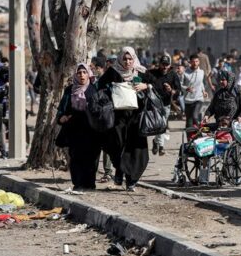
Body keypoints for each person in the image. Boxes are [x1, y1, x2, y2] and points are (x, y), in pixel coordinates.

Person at [99, 46, 156, 191]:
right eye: (124, 58)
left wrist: (146, 86)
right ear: (120, 58)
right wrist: (110, 90)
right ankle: (119, 172)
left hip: (136, 118)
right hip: (118, 118)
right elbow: (99, 88)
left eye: (130, 58)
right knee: (117, 146)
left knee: (135, 149)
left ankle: (131, 180)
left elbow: (157, 85)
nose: (127, 61)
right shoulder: (113, 72)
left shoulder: (141, 72)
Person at [56, 63, 101, 190]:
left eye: (84, 72)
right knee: (76, 156)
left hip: (92, 129)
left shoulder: (94, 89)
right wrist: (62, 117)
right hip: (74, 128)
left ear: (88, 74)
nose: (82, 75)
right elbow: (62, 108)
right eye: (79, 73)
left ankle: (90, 183)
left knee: (92, 156)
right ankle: (78, 183)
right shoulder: (70, 90)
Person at [149, 55, 181, 156]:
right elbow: (142, 78)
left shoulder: (173, 75)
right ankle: (160, 145)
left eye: (167, 65)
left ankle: (157, 143)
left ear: (170, 65)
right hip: (154, 104)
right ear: (159, 64)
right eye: (163, 64)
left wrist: (171, 90)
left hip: (166, 104)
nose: (165, 67)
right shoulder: (152, 73)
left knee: (162, 124)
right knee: (159, 125)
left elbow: (179, 90)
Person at [182, 54, 208, 128]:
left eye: (196, 61)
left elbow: (201, 83)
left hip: (198, 98)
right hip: (188, 100)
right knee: (189, 122)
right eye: (193, 62)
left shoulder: (201, 72)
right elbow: (180, 85)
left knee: (195, 116)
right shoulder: (185, 72)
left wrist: (204, 91)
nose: (195, 63)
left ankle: (204, 130)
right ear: (190, 62)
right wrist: (186, 88)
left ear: (199, 62)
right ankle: (190, 138)